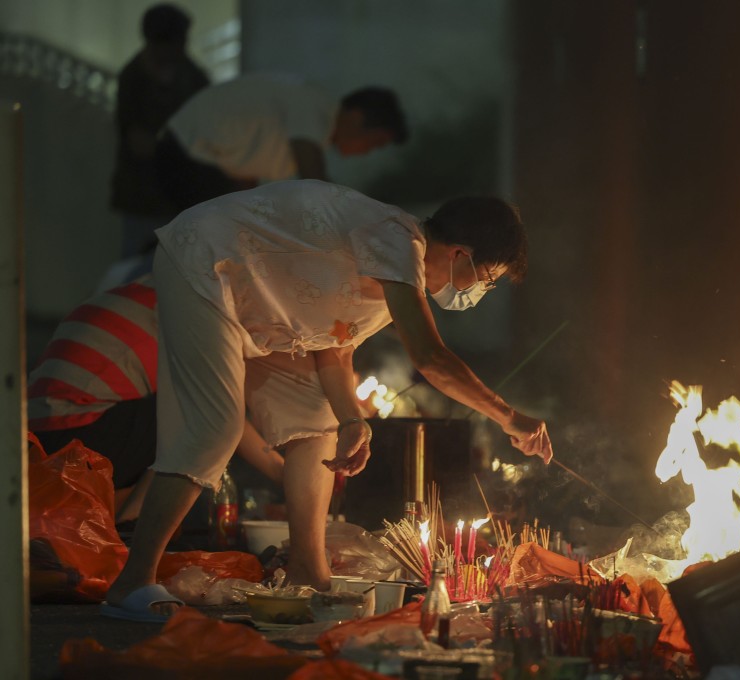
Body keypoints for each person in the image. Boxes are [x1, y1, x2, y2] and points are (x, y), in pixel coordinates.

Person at [101, 179, 553, 622]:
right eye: (486, 279)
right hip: (205, 260)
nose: (480, 293)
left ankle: (308, 572)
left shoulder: (393, 280)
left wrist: (352, 419)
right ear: (459, 255)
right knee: (214, 430)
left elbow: (334, 347)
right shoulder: (398, 240)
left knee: (318, 424)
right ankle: (133, 581)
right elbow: (431, 358)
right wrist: (508, 417)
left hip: (263, 308)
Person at [27, 276, 285, 524]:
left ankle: (127, 526)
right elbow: (219, 413)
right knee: (196, 414)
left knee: (185, 411)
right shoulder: (197, 310)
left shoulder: (161, 287)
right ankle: (134, 525)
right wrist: (282, 473)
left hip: (36, 435)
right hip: (74, 432)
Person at [154, 75, 408, 212]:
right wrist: (356, 216)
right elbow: (316, 183)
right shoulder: (316, 106)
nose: (367, 152)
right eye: (375, 143)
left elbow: (246, 177)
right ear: (357, 117)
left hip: (194, 158)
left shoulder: (310, 125)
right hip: (184, 153)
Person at [110, 3, 209, 259]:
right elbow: (138, 143)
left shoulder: (192, 76)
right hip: (143, 196)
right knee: (137, 265)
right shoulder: (133, 79)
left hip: (183, 194)